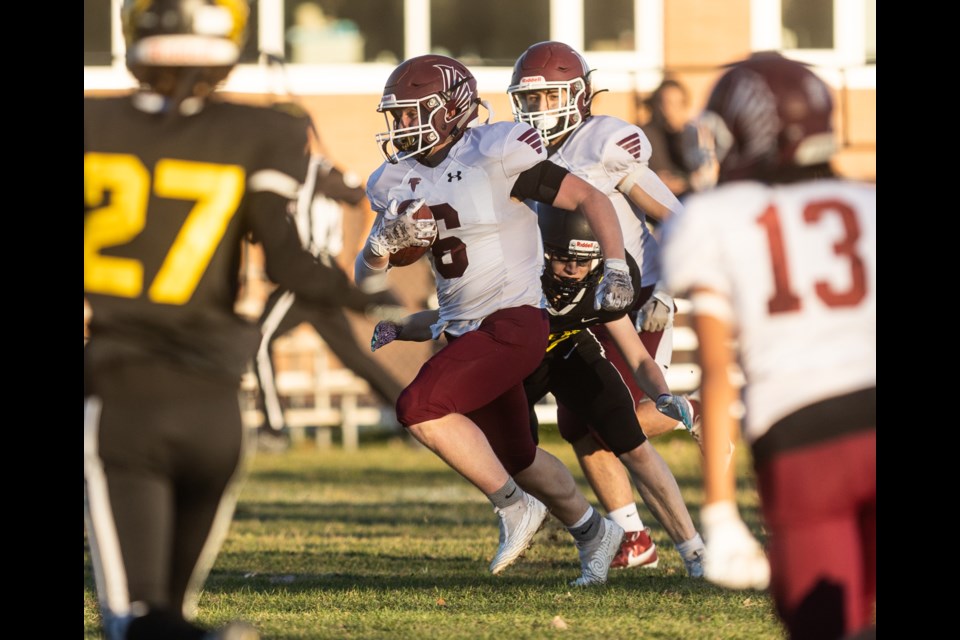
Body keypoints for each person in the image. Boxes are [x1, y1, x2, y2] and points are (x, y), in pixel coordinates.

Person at [84, 1, 387, 638]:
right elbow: (290, 264)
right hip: (215, 401)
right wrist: (374, 299)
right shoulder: (262, 132)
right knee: (168, 613)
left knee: (136, 619)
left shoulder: (93, 123)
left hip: (123, 392)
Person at [355, 53, 637, 586]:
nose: (401, 126)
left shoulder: (496, 151)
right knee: (519, 454)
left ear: (451, 110)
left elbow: (591, 198)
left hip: (514, 321)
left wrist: (617, 265)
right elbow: (363, 281)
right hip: (464, 330)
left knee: (419, 407)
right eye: (396, 116)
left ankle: (513, 507)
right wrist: (376, 248)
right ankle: (595, 532)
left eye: (413, 113)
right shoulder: (394, 180)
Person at [662, 52, 876, 639]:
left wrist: (720, 510)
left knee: (827, 626)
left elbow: (716, 366)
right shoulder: (868, 204)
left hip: (804, 441)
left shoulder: (713, 217)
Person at [507, 41, 706, 573]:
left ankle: (696, 411)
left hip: (634, 292)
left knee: (604, 419)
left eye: (549, 98)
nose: (537, 111)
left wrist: (669, 287)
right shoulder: (523, 149)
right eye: (530, 100)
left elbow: (670, 217)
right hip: (578, 296)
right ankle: (633, 537)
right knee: (576, 425)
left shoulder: (603, 141)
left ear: (577, 95)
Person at [522, 207, 704, 575]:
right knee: (516, 457)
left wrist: (662, 394)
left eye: (583, 260)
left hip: (572, 351)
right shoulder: (515, 278)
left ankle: (695, 551)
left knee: (629, 439)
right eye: (563, 258)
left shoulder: (602, 283)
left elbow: (638, 357)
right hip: (517, 363)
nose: (573, 269)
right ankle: (593, 532)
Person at [254, 155, 406, 447]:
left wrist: (357, 251)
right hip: (309, 281)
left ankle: (272, 430)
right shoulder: (274, 173)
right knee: (353, 358)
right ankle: (408, 415)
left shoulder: (317, 172)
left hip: (308, 273)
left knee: (258, 340)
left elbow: (364, 198)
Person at [639, 79, 701, 202]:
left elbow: (701, 173)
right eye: (664, 103)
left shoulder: (693, 134)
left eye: (676, 104)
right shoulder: (642, 134)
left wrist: (679, 132)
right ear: (654, 105)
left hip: (689, 201)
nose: (668, 109)